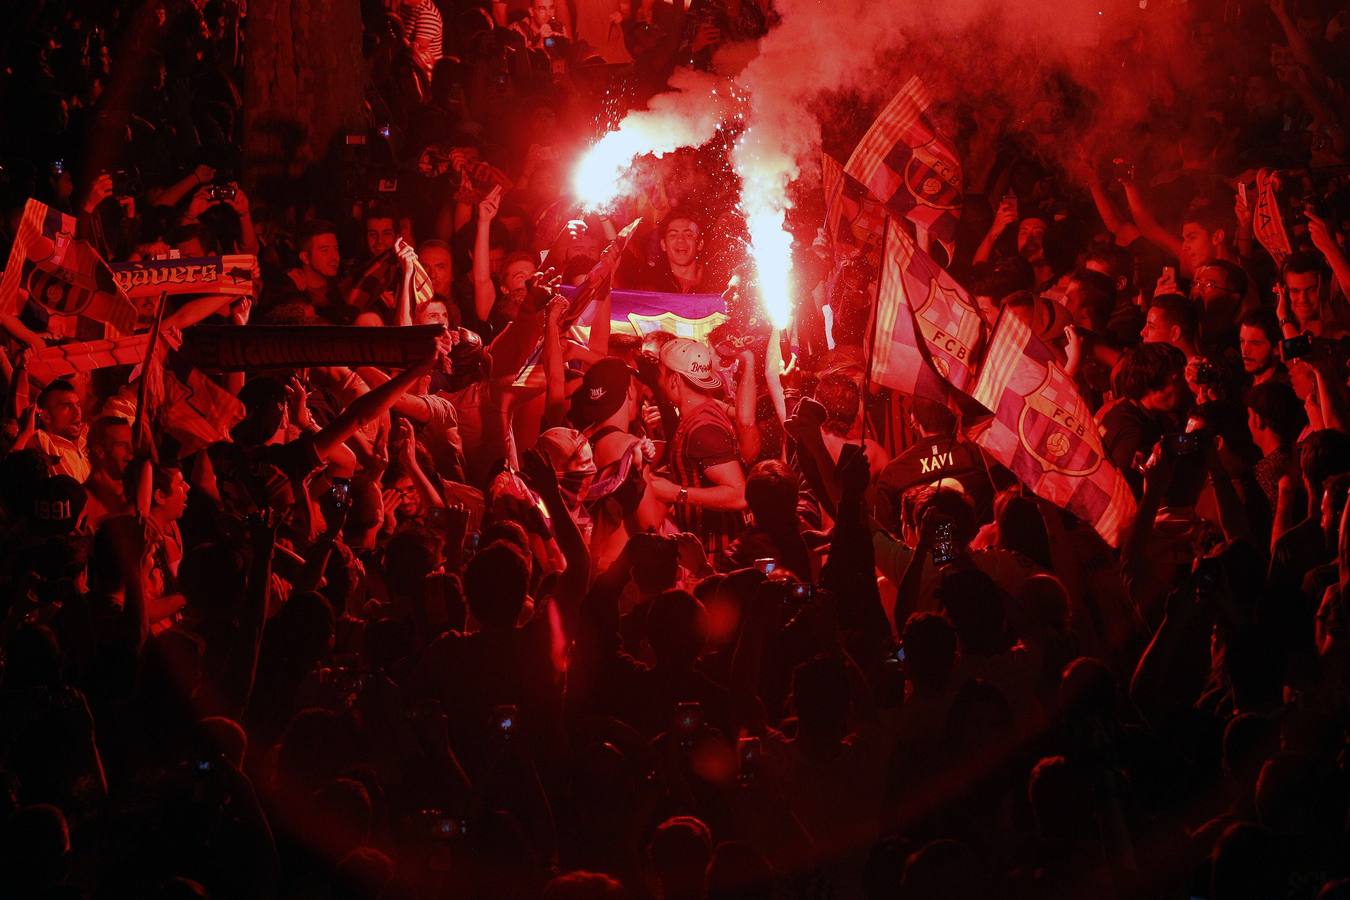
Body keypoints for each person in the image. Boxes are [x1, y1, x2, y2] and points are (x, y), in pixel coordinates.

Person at [644, 338, 747, 557]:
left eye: (660, 373)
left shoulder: (703, 428)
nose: (658, 380)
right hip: (704, 553)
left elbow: (739, 495)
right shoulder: (699, 414)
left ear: (674, 379)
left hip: (716, 557)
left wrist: (676, 493)